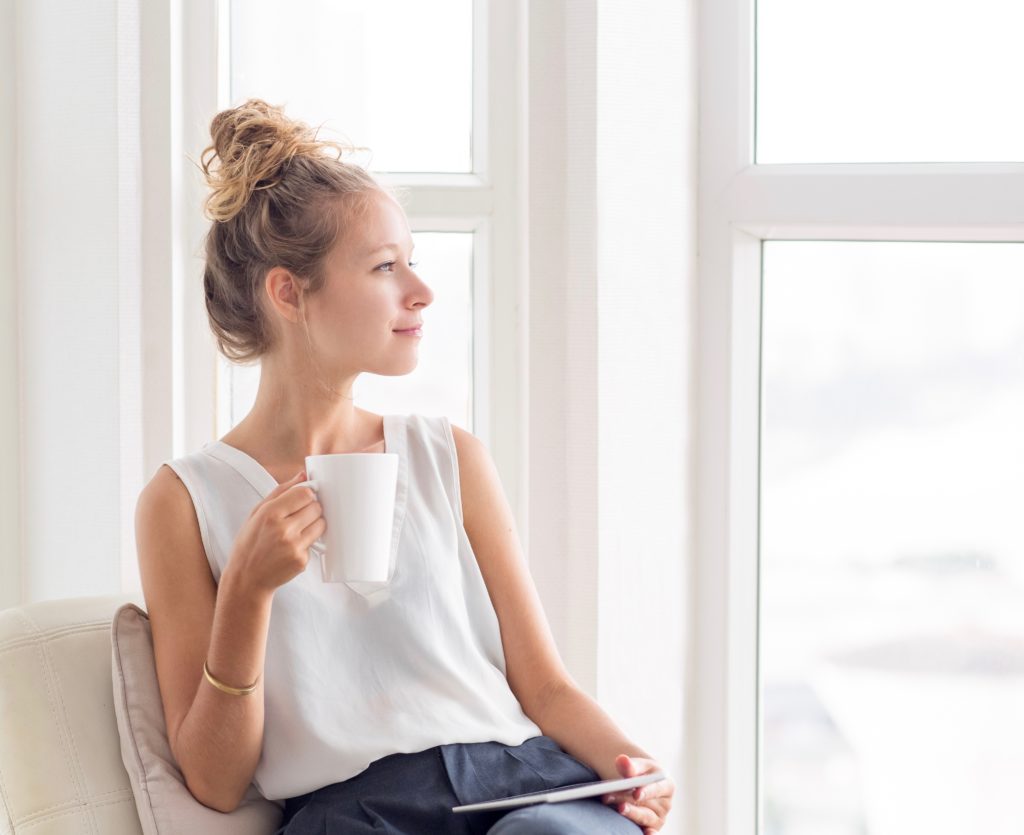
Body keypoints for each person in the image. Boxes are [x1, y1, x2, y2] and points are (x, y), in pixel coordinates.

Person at [134, 98, 674, 835]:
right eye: (386, 267)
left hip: (519, 786)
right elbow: (215, 780)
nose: (421, 291)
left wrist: (629, 764)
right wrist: (247, 593)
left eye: (411, 261)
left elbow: (543, 684)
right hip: (353, 816)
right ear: (289, 292)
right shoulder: (185, 500)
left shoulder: (449, 455)